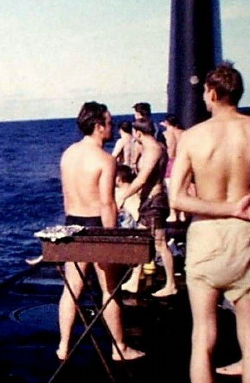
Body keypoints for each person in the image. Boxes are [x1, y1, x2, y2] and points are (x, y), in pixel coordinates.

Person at [169, 63, 250, 383]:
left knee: (203, 337)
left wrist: (225, 208)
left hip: (206, 238)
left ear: (212, 93)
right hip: (245, 239)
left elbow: (179, 199)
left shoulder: (193, 138)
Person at [56, 101, 145, 362]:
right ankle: (120, 348)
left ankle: (63, 346)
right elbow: (108, 203)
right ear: (98, 126)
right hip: (96, 225)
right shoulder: (105, 160)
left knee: (71, 288)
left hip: (72, 223)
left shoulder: (68, 154)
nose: (112, 126)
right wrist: (113, 238)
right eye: (109, 122)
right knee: (110, 289)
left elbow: (66, 198)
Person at [118, 118, 178, 297]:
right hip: (148, 202)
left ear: (138, 133)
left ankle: (171, 284)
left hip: (154, 203)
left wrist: (124, 195)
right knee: (142, 242)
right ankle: (135, 280)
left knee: (160, 243)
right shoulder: (154, 147)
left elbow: (143, 178)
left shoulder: (153, 150)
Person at [161, 115, 186, 222]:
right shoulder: (184, 133)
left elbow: (167, 151)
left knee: (170, 188)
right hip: (182, 161)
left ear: (167, 123)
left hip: (170, 162)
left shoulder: (167, 134)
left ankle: (173, 213)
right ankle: (183, 213)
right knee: (182, 188)